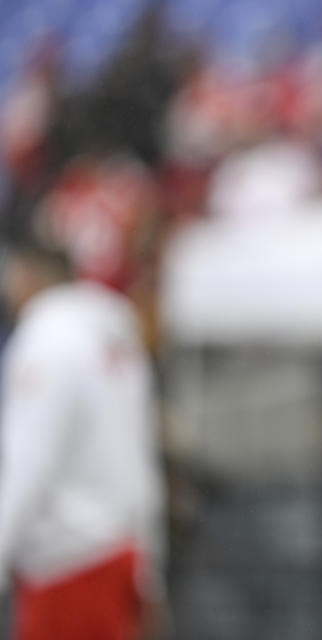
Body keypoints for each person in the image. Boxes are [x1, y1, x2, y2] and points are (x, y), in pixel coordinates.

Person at [0, 235, 165, 640]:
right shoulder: (116, 340)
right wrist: (152, 569)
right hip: (122, 552)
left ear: (26, 277)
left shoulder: (45, 340)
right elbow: (141, 459)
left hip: (67, 561)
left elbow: (29, 461)